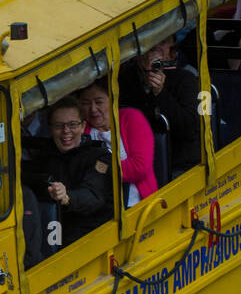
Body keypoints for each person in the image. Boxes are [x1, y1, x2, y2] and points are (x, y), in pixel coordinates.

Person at [27, 99, 112, 246]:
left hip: (91, 233)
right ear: (50, 129)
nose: (66, 131)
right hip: (51, 229)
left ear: (83, 126)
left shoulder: (99, 157)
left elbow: (93, 196)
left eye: (72, 124)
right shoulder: (44, 155)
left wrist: (67, 197)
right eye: (59, 126)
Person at [117, 35, 201, 174]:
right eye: (148, 43)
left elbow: (189, 128)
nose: (155, 48)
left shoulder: (187, 79)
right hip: (137, 160)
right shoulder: (125, 80)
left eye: (162, 42)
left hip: (179, 163)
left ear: (172, 52)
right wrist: (146, 73)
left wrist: (160, 93)